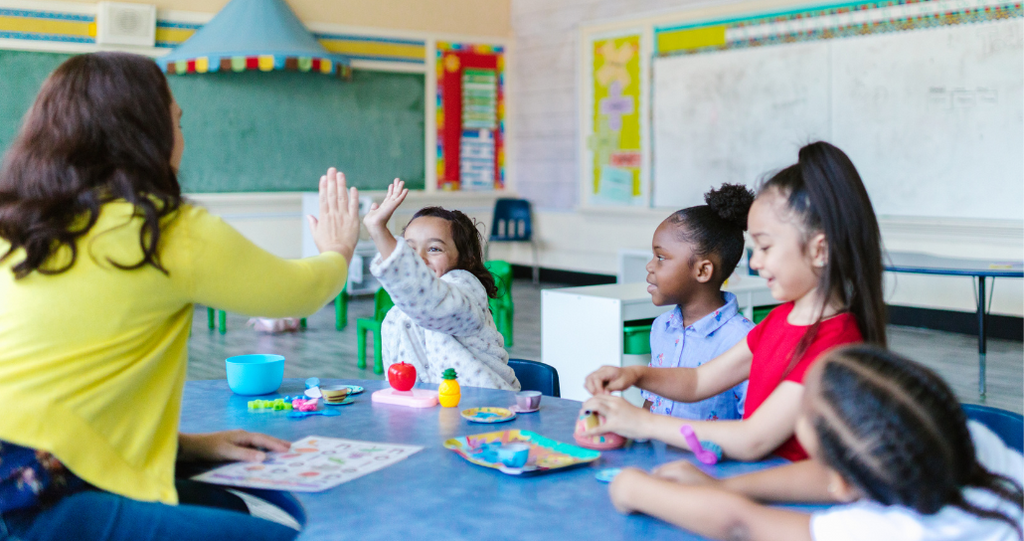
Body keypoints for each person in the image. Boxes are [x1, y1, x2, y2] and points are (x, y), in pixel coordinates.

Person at [0, 52, 361, 540]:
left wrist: (186, 447)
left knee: (228, 504)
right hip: (42, 497)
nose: (182, 138)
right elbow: (295, 295)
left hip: (24, 475)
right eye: (177, 122)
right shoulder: (162, 230)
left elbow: (53, 390)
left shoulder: (19, 224)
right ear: (143, 135)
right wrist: (337, 251)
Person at [582, 141, 887, 461]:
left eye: (765, 248)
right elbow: (699, 381)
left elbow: (752, 439)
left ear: (819, 250)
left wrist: (642, 423)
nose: (754, 264)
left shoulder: (834, 344)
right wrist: (635, 375)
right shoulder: (781, 320)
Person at [606, 345, 1024, 541]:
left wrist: (632, 487)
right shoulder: (963, 439)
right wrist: (725, 486)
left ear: (840, 487)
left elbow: (740, 525)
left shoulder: (884, 531)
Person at [364, 179, 519, 390]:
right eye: (409, 250)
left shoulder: (466, 291)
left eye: (434, 249)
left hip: (485, 409)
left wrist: (379, 232)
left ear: (467, 259)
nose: (419, 258)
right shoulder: (397, 315)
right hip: (430, 412)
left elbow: (432, 303)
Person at [640, 184, 756, 421]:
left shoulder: (743, 341)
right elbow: (651, 401)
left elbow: (753, 426)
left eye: (661, 257)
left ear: (703, 270)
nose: (650, 266)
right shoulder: (661, 327)